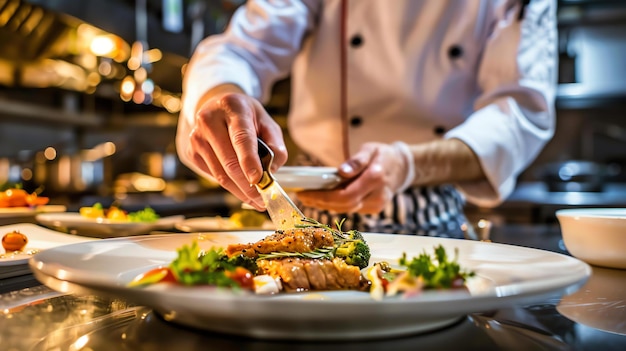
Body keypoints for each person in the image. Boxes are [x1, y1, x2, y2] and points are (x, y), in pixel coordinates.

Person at [176, 0, 557, 237]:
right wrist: (221, 100)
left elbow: (519, 112)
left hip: (435, 217)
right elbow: (240, 50)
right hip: (311, 213)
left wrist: (408, 164)